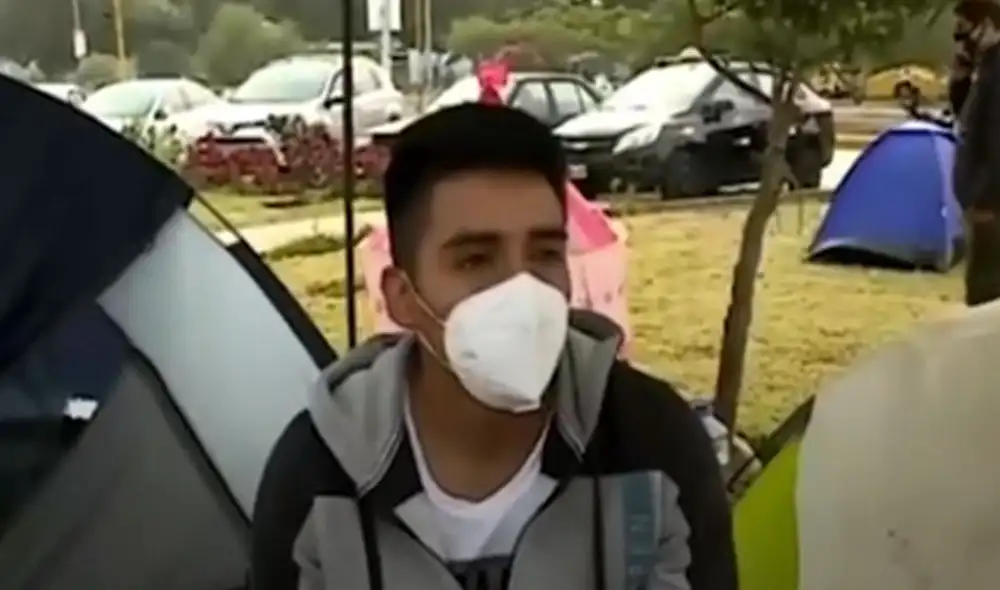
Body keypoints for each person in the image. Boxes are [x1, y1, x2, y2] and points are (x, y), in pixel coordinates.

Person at [250, 103, 737, 590]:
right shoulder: (318, 474)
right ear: (401, 298)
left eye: (545, 254)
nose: (520, 290)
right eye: (476, 260)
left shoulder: (650, 442)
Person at [951, 0, 1000, 305]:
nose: (960, 42)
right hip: (982, 202)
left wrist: (985, 198)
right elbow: (968, 119)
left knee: (985, 294)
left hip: (992, 207)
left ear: (989, 27)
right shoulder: (988, 67)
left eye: (964, 32)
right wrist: (959, 81)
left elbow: (996, 139)